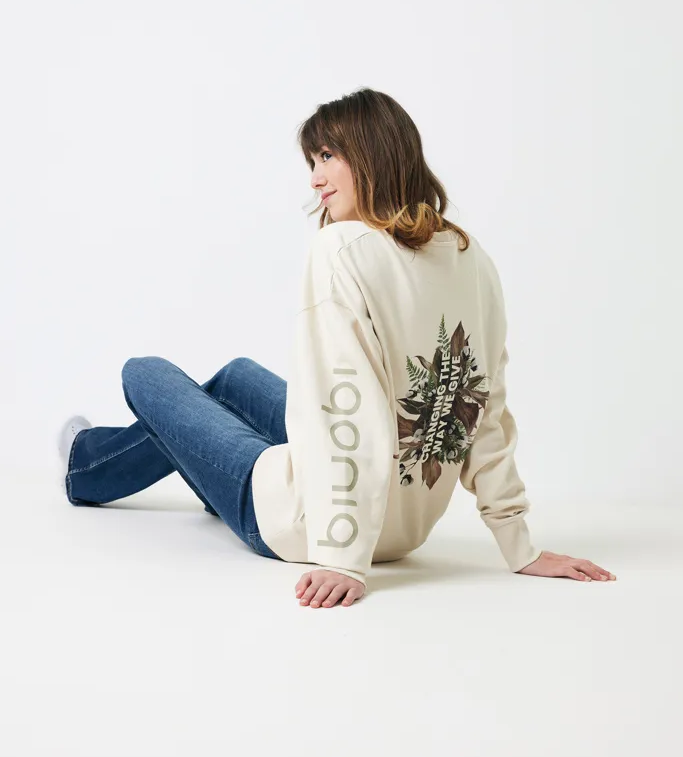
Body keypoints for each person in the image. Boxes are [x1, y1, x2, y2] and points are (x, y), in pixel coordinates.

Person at [58, 87, 616, 608]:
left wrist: (344, 558)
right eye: (312, 161)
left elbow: (348, 403)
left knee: (145, 373)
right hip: (406, 529)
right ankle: (202, 480)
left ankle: (87, 463)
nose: (315, 179)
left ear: (375, 154)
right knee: (235, 379)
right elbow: (483, 408)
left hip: (301, 524)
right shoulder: (472, 258)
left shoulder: (340, 248)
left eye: (328, 156)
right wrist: (519, 545)